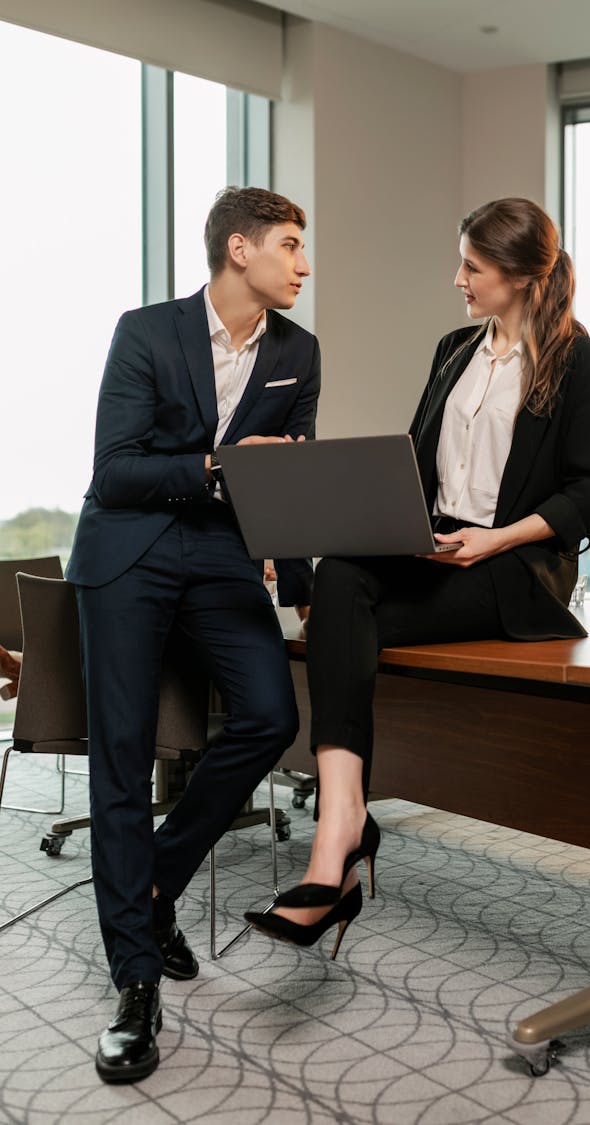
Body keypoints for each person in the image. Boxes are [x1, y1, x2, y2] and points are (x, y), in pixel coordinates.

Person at [244, 196, 590, 956]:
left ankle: (338, 848)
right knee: (345, 573)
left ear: (519, 276)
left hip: (512, 570)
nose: (459, 280)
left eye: (472, 267)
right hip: (435, 551)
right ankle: (344, 822)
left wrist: (492, 539)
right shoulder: (455, 349)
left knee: (349, 618)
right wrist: (388, 520)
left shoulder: (586, 365)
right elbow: (417, 463)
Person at [66, 186, 320, 1083]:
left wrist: (305, 588)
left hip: (220, 556)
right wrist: (219, 465)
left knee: (268, 716)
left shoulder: (299, 352)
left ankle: (155, 881)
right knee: (122, 755)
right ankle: (135, 980)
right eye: (290, 244)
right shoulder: (146, 330)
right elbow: (115, 470)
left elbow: (290, 487)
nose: (302, 262)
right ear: (239, 249)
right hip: (129, 549)